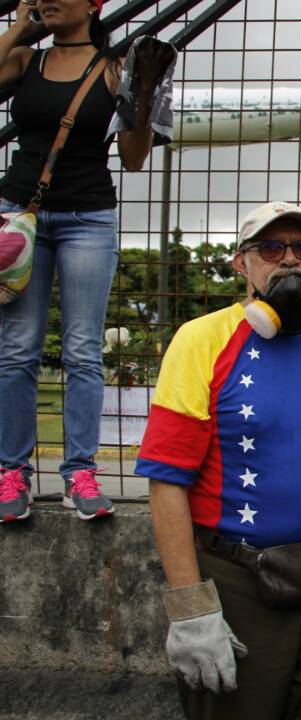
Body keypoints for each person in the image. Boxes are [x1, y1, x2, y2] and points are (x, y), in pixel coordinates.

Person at [135, 201, 301, 719]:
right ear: (241, 264)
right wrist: (191, 608)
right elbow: (166, 480)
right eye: (270, 247)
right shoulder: (201, 339)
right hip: (238, 585)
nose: (289, 260)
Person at [0, 0, 173, 523]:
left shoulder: (116, 69)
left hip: (88, 218)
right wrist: (15, 28)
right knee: (16, 350)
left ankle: (80, 472)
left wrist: (143, 96)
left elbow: (135, 157)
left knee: (81, 350)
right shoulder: (25, 60)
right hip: (20, 215)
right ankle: (10, 473)